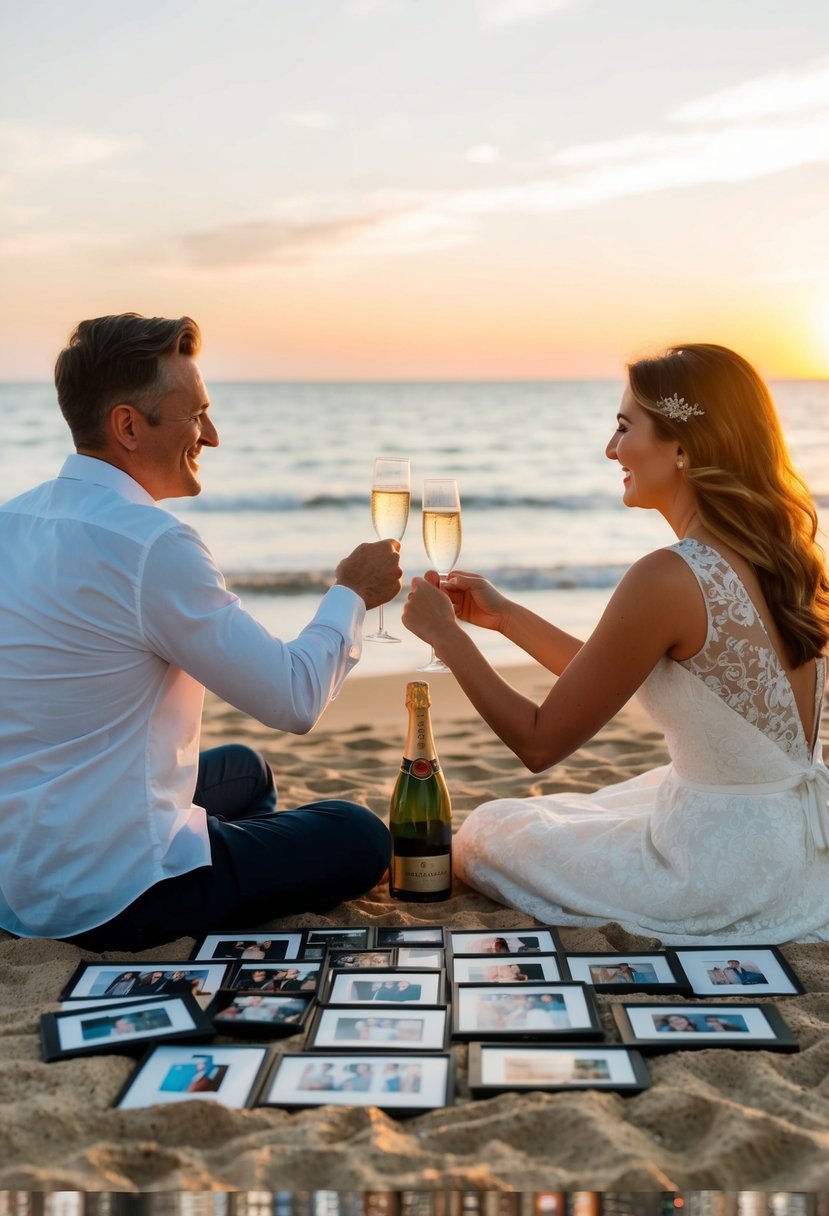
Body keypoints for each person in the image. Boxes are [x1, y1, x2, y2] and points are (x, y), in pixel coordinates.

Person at [402, 343, 829, 944]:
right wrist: (507, 619)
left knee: (484, 833)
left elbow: (539, 741)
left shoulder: (668, 575)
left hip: (721, 870)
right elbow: (635, 678)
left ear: (684, 447)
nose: (610, 449)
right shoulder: (783, 556)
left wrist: (447, 638)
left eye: (625, 428)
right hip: (801, 849)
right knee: (578, 813)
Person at [0, 313, 401, 950]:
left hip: (14, 873)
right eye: (196, 415)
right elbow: (293, 698)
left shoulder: (11, 521)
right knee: (361, 836)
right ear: (128, 426)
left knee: (247, 772)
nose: (211, 435)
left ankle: (229, 869)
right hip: (110, 893)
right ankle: (211, 889)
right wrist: (352, 591)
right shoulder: (151, 545)